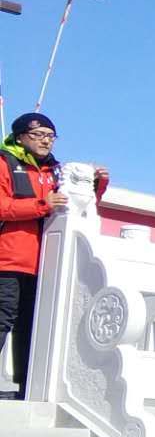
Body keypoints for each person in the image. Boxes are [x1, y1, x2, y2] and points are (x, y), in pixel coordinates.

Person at [0, 113, 108, 397]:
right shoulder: (4, 163)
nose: (46, 140)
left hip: (44, 264)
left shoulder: (55, 170)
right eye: (38, 135)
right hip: (8, 259)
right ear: (20, 136)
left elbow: (75, 202)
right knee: (2, 318)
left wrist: (96, 183)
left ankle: (27, 388)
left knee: (32, 327)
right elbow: (2, 206)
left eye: (50, 135)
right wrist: (41, 204)